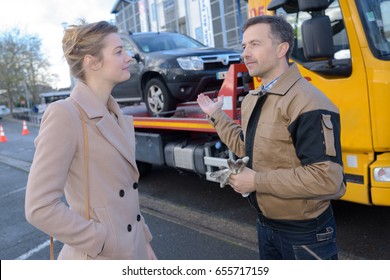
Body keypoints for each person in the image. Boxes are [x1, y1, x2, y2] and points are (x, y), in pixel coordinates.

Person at [197, 15, 346, 260]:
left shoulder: (308, 102)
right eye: (244, 46)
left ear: (281, 49)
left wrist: (256, 182)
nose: (245, 53)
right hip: (266, 227)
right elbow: (247, 147)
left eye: (254, 44)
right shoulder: (254, 98)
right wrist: (216, 115)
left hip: (306, 235)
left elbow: (327, 179)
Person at [25, 20, 156, 260]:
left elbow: (127, 196)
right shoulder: (65, 114)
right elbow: (39, 207)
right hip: (99, 258)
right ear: (92, 62)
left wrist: (144, 244)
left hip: (134, 252)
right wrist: (103, 241)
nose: (128, 58)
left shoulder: (118, 116)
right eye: (118, 51)